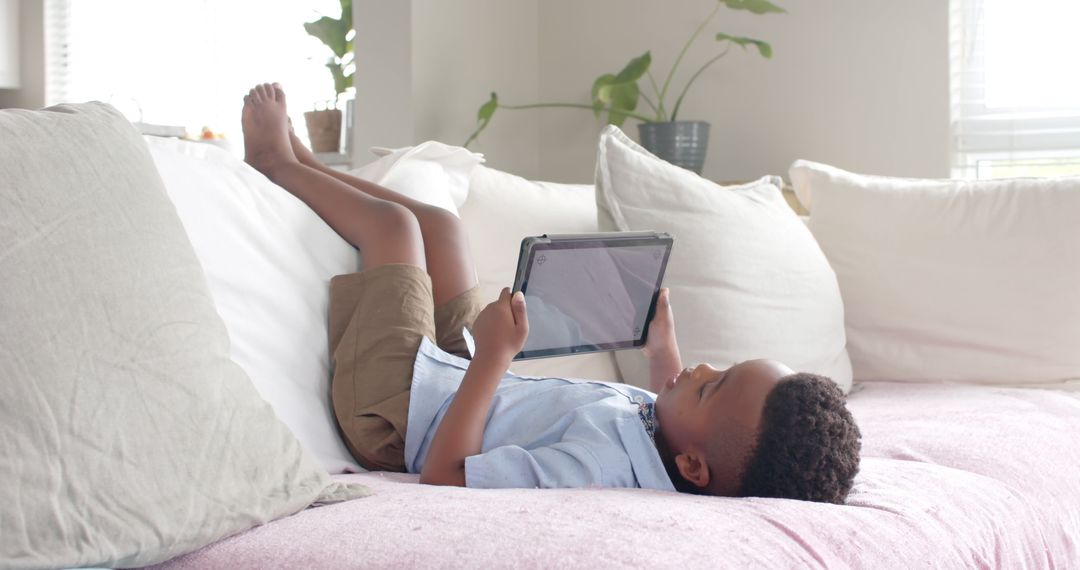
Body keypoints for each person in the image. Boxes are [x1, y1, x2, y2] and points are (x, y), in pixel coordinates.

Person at [240, 83, 862, 503]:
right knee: (445, 229)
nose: (702, 368)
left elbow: (445, 477)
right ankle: (316, 167)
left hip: (398, 417)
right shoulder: (673, 450)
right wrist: (662, 354)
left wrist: (492, 359)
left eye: (711, 384)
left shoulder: (597, 470)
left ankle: (277, 165)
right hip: (452, 380)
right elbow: (665, 412)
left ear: (696, 469)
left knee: (396, 229)